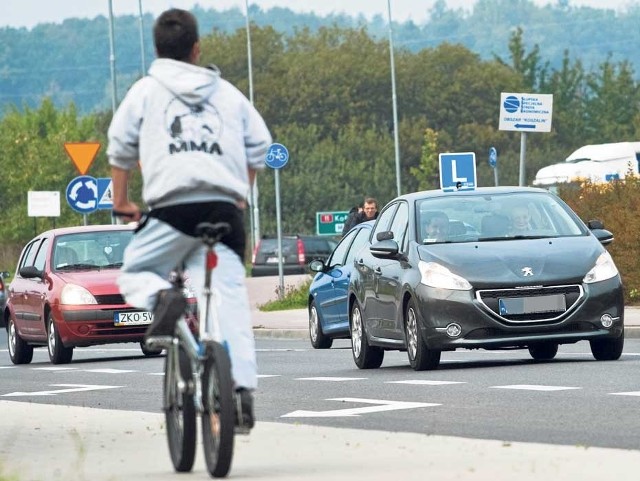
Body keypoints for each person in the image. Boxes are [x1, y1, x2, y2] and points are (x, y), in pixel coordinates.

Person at [107, 8, 272, 431]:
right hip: (224, 212)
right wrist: (240, 194)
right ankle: (240, 394)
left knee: (135, 273)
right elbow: (260, 145)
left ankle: (164, 301)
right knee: (229, 297)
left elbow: (120, 149)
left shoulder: (145, 92)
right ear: (197, 49)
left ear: (158, 49)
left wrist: (123, 201)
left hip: (172, 213)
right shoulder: (229, 94)